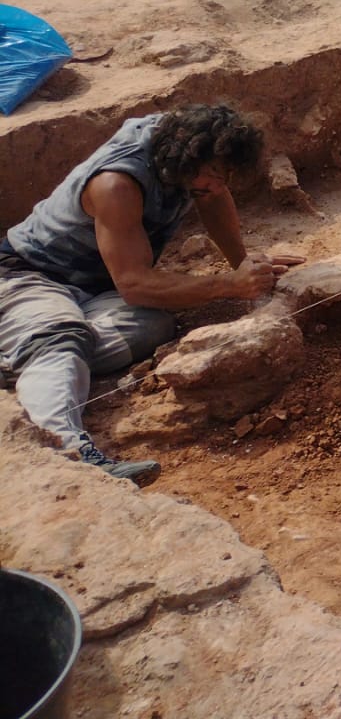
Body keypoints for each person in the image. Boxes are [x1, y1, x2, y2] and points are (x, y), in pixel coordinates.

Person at [0, 105, 294, 485]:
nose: (220, 187)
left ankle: (27, 357)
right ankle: (65, 450)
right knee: (63, 336)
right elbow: (134, 284)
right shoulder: (117, 184)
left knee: (154, 324)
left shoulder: (188, 155)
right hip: (29, 273)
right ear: (188, 157)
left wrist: (245, 263)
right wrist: (229, 285)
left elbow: (213, 198)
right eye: (215, 177)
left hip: (96, 288)